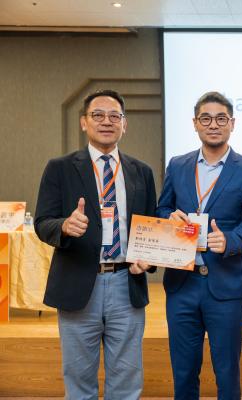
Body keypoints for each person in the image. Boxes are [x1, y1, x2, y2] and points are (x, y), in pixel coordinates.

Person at [34, 89, 157, 399]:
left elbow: (150, 226)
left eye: (115, 116)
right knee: (79, 382)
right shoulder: (60, 168)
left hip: (126, 284)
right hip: (78, 284)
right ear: (83, 122)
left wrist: (149, 258)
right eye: (98, 115)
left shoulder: (141, 172)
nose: (106, 121)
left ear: (124, 124)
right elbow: (42, 223)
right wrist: (64, 226)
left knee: (126, 381)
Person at [156, 91, 242, 399]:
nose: (213, 124)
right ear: (195, 123)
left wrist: (230, 240)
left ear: (232, 123)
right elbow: (162, 208)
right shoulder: (178, 165)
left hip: (225, 287)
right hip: (182, 284)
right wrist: (169, 217)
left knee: (227, 373)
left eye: (220, 119)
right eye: (206, 118)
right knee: (183, 372)